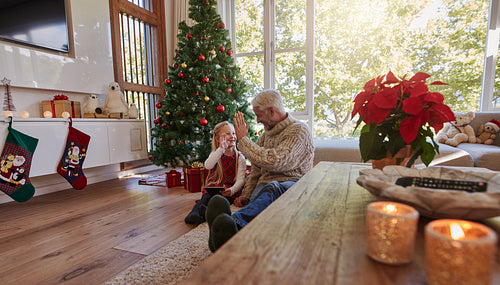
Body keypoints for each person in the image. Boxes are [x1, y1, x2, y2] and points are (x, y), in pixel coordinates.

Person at [206, 89, 314, 252]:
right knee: (266, 200)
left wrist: (243, 140)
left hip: (292, 186)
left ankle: (232, 225)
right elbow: (256, 170)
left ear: (271, 111)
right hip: (263, 189)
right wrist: (246, 195)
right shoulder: (264, 137)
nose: (257, 120)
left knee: (273, 186)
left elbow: (276, 161)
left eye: (259, 115)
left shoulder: (299, 131)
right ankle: (222, 237)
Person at [184, 121, 247, 225]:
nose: (232, 136)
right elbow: (207, 166)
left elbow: (240, 180)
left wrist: (231, 191)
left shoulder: (240, 158)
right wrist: (221, 149)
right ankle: (194, 214)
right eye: (227, 134)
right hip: (214, 187)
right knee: (206, 198)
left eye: (233, 133)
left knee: (220, 202)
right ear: (218, 139)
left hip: (229, 191)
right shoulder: (216, 154)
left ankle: (205, 214)